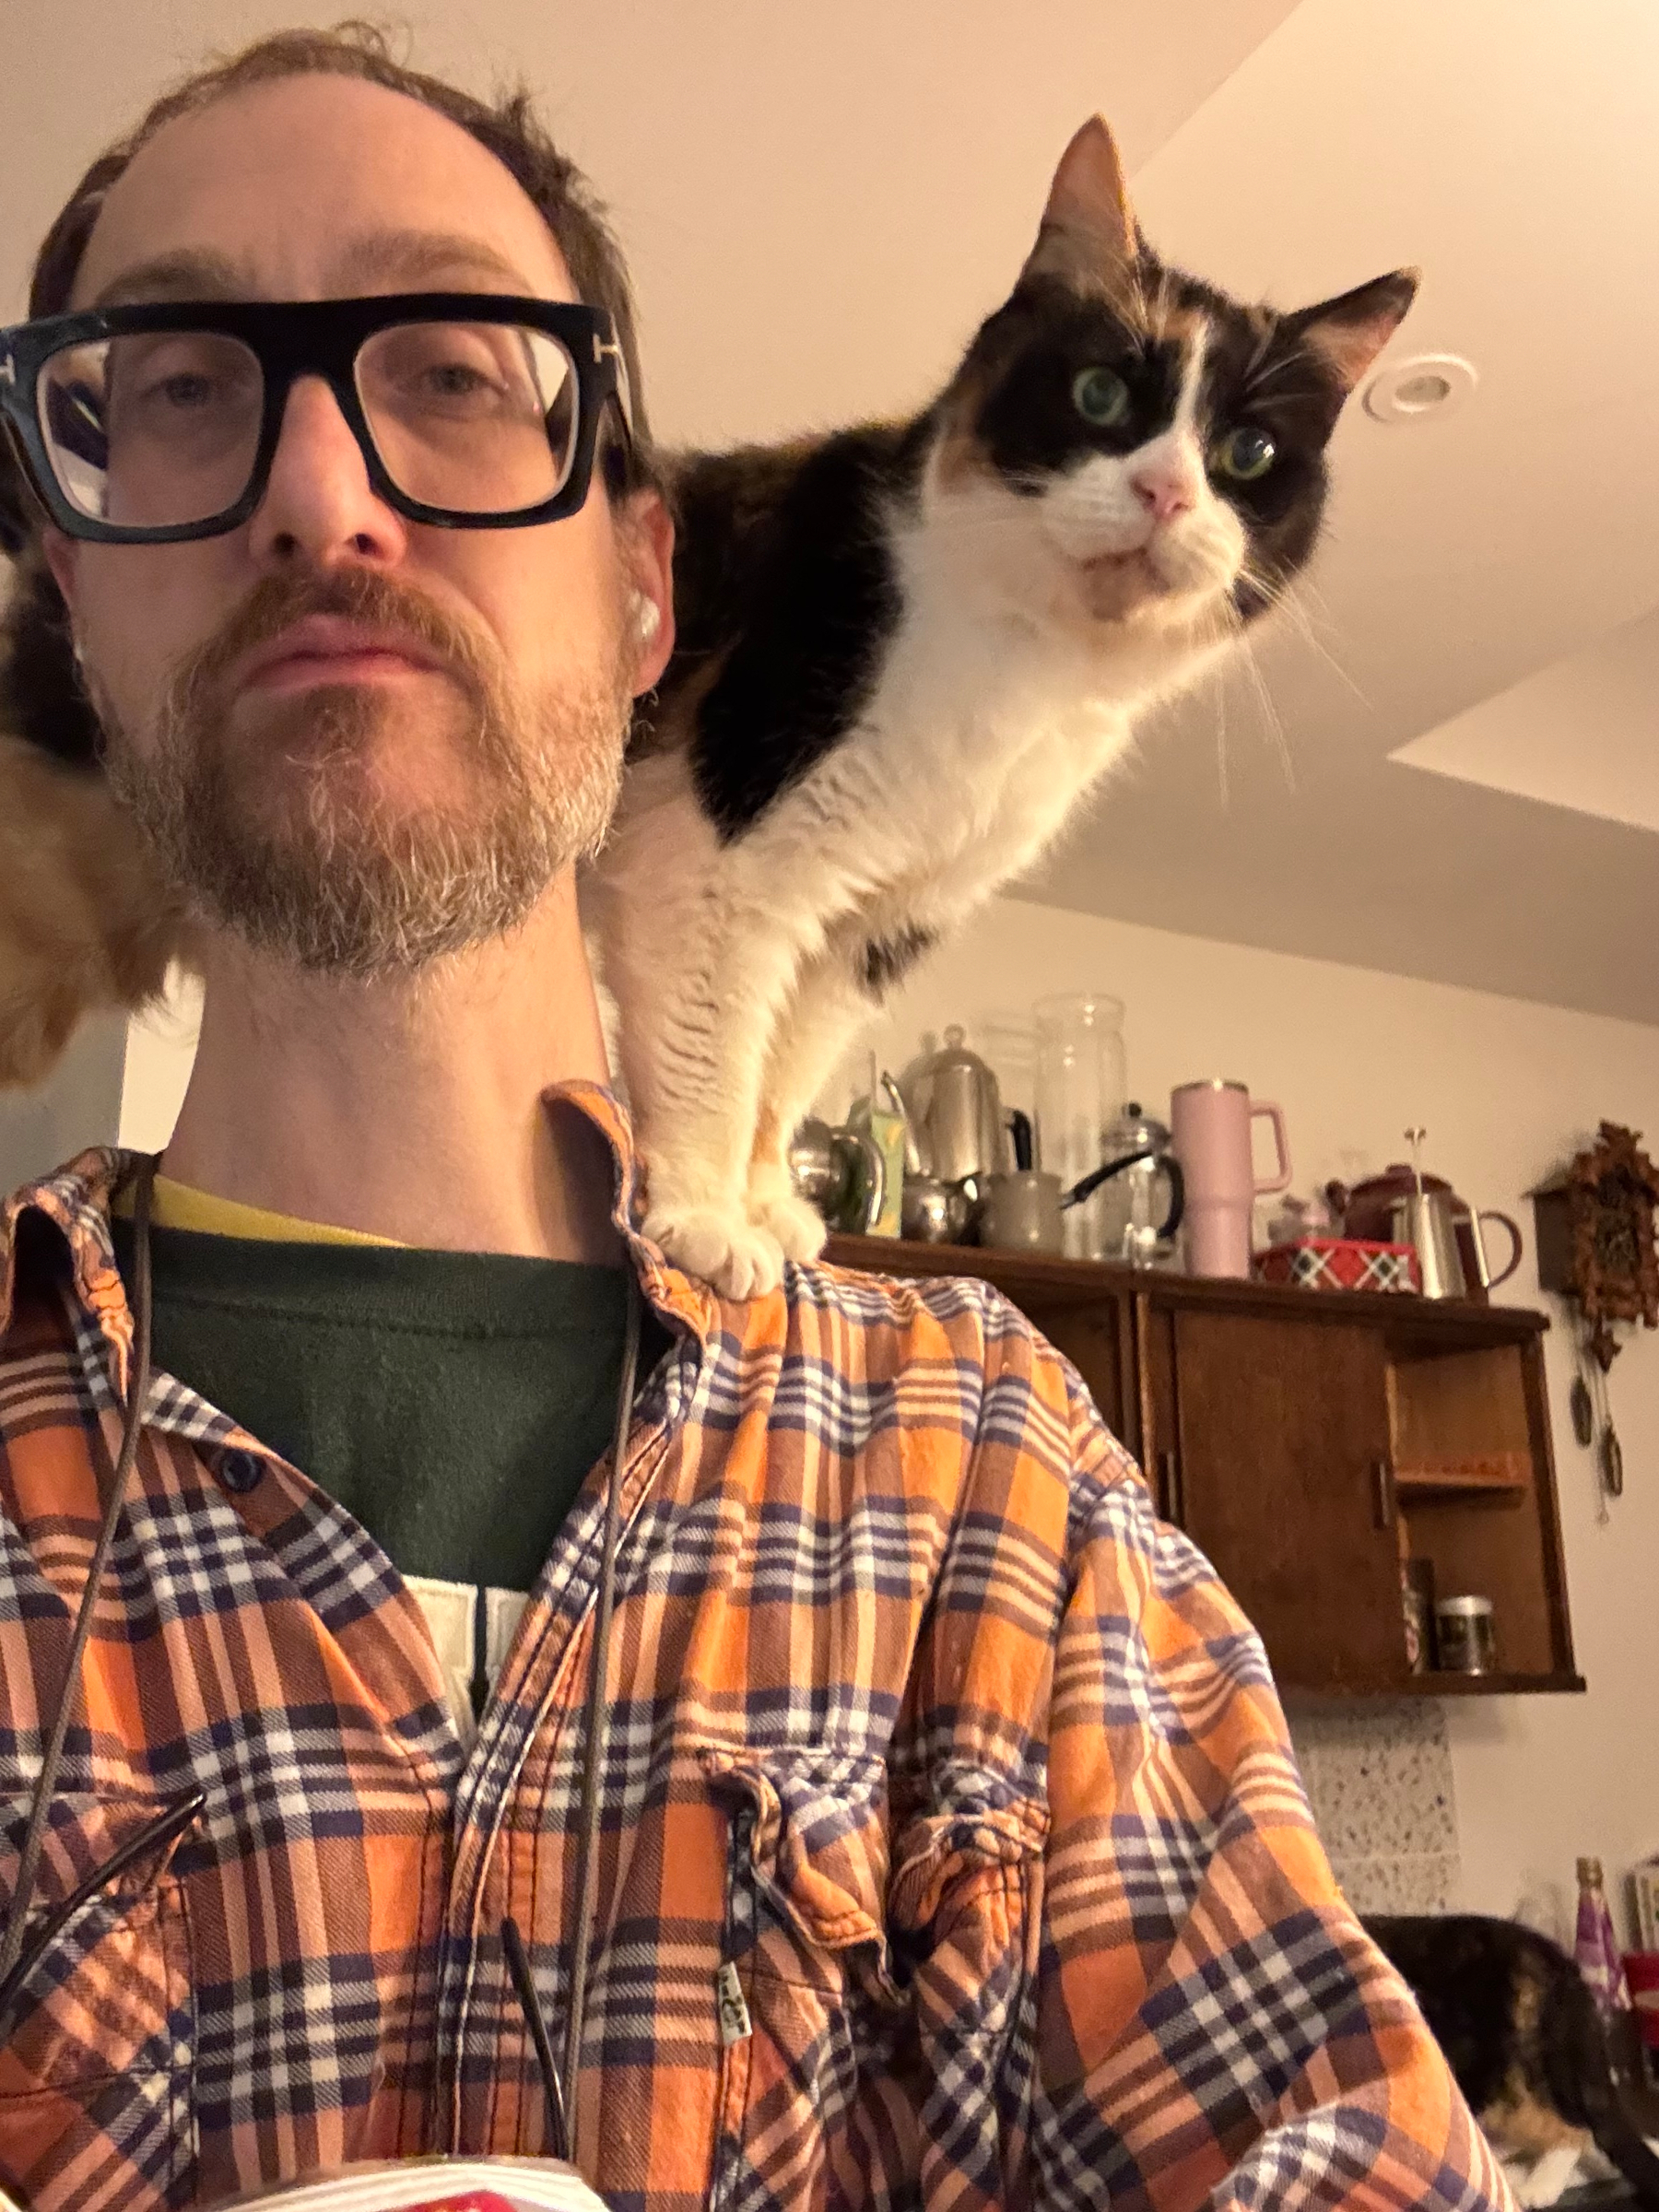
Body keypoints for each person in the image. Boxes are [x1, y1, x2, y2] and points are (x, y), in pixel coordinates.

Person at [0, 29, 1510, 2212]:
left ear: (649, 591)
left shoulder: (995, 1495)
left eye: (445, 370)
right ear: (62, 577)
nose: (321, 496)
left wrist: (731, 1173)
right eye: (184, 387)